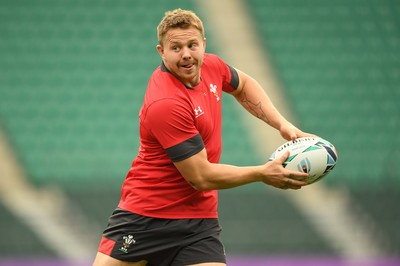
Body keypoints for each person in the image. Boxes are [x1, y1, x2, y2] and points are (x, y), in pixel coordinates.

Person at [93, 8, 312, 266]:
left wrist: (281, 124)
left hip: (198, 223)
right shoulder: (165, 103)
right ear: (161, 52)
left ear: (203, 44)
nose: (186, 54)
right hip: (146, 217)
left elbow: (243, 85)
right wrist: (262, 173)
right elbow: (201, 177)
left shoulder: (212, 65)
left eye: (192, 45)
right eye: (176, 48)